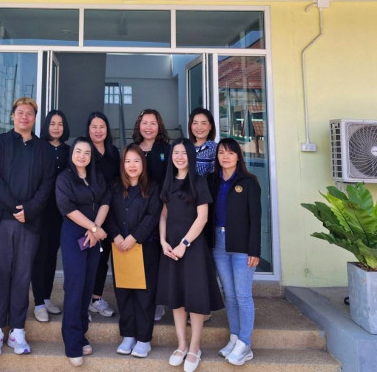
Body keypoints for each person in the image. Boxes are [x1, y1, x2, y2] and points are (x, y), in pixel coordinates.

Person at [0, 97, 55, 356]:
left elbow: (47, 184)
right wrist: (16, 208)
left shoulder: (44, 149)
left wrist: (30, 210)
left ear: (35, 118)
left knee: (23, 276)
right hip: (1, 220)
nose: (24, 116)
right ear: (12, 115)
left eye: (30, 113)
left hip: (30, 223)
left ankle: (17, 331)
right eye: (20, 112)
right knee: (1, 275)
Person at [156, 139, 224, 372]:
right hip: (170, 247)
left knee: (195, 298)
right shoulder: (167, 182)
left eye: (184, 153)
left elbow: (202, 218)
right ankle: (181, 345)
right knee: (176, 297)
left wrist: (184, 243)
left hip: (192, 247)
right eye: (175, 153)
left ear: (190, 156)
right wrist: (163, 241)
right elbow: (163, 214)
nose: (179, 157)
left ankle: (195, 347)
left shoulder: (198, 181)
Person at [56, 137, 111, 367]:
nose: (82, 156)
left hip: (93, 237)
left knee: (88, 285)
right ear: (72, 154)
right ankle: (71, 343)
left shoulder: (96, 177)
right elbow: (67, 207)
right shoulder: (65, 178)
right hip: (74, 236)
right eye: (78, 151)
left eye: (87, 153)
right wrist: (94, 228)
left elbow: (106, 200)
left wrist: (95, 229)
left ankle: (81, 334)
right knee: (75, 286)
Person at [106, 144, 162, 358]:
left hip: (144, 247)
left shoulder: (153, 187)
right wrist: (116, 236)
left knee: (144, 294)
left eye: (136, 161)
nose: (132, 165)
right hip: (119, 247)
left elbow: (152, 216)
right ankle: (128, 335)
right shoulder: (114, 186)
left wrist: (134, 237)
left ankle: (144, 339)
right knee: (123, 292)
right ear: (122, 165)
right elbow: (108, 213)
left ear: (143, 164)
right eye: (128, 161)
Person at [209, 138, 261, 366]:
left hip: (242, 246)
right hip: (219, 244)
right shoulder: (212, 181)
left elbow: (255, 219)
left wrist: (254, 250)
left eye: (230, 153)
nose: (225, 157)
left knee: (242, 295)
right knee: (229, 294)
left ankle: (245, 344)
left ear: (238, 156)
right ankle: (235, 337)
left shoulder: (249, 182)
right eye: (221, 152)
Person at [32, 109, 71, 323]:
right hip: (40, 210)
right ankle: (38, 302)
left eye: (60, 124)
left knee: (51, 255)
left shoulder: (69, 151)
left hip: (60, 211)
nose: (56, 127)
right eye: (53, 123)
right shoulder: (38, 147)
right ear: (46, 125)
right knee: (39, 256)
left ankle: (46, 298)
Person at [132, 108, 171, 321]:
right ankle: (139, 300)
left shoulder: (167, 149)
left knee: (157, 259)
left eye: (153, 123)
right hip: (136, 212)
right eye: (145, 123)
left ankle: (157, 302)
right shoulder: (133, 149)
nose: (148, 127)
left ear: (159, 126)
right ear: (139, 125)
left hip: (161, 211)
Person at [86, 111, 120, 318]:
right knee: (84, 258)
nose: (98, 131)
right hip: (86, 213)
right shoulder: (83, 150)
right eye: (94, 127)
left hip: (109, 211)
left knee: (102, 257)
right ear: (88, 129)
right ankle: (82, 300)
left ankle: (96, 298)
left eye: (102, 127)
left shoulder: (113, 152)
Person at [188, 107, 217, 178]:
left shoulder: (215, 149)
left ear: (210, 126)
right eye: (195, 123)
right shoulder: (186, 147)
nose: (199, 127)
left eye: (203, 123)